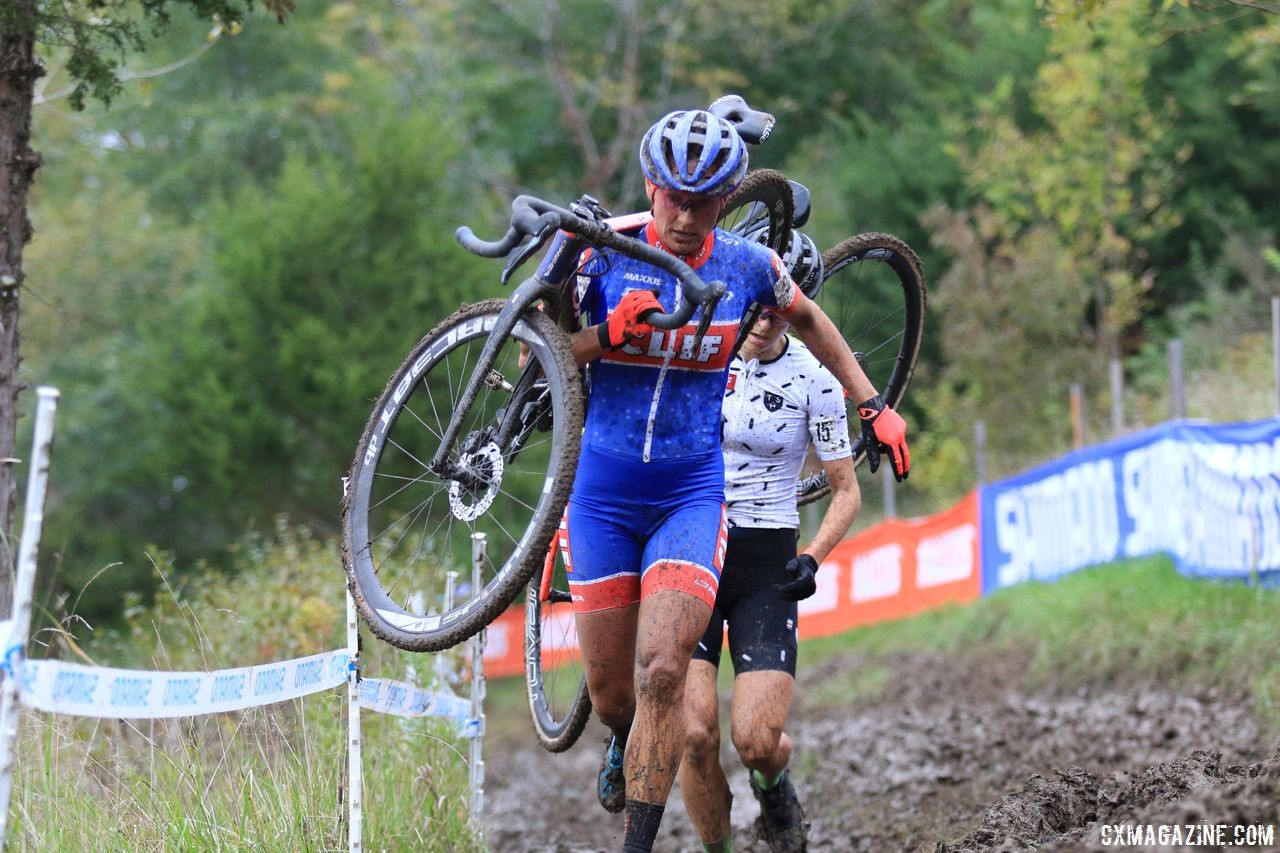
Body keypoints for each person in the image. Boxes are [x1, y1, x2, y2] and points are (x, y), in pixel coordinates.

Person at [561, 106, 910, 853]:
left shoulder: (750, 268)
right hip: (602, 492)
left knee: (664, 675)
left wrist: (872, 403)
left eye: (705, 202)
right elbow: (541, 362)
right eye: (673, 199)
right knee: (614, 693)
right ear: (651, 189)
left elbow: (812, 319)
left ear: (729, 200)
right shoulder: (606, 254)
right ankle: (621, 737)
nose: (685, 217)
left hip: (691, 492)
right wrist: (607, 334)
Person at [678, 231, 861, 853]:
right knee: (695, 732)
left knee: (755, 739)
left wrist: (813, 557)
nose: (760, 320)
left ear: (795, 306)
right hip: (695, 541)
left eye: (775, 309)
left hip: (766, 560)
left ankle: (773, 784)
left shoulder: (818, 379)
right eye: (752, 305)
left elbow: (846, 492)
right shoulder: (705, 349)